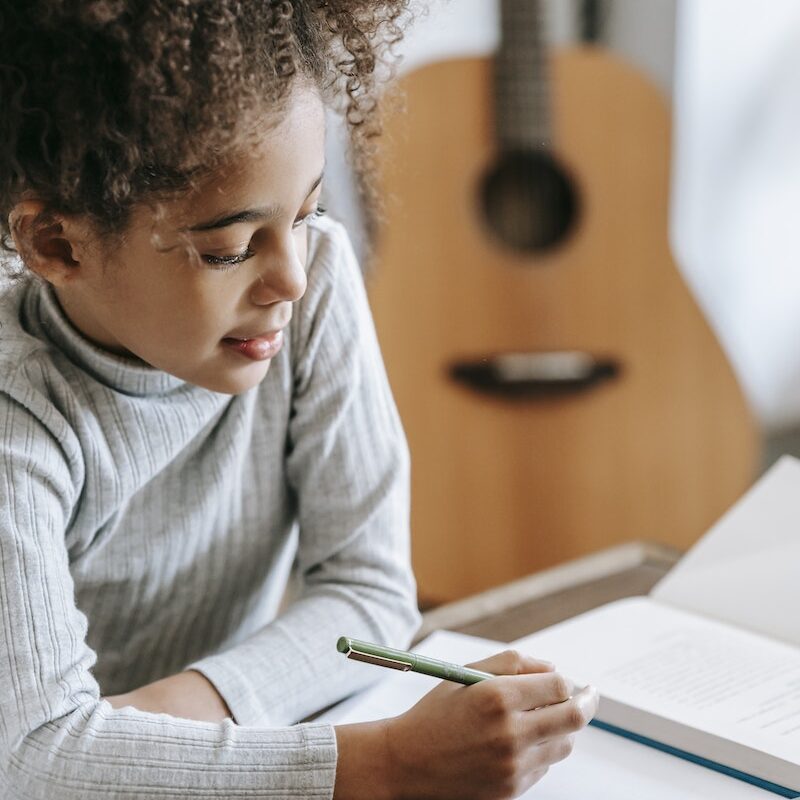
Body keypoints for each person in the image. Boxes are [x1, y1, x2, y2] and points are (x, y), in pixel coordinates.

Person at [0, 2, 598, 798]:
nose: (291, 278)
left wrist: (160, 720)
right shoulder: (19, 421)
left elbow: (370, 589)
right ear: (57, 245)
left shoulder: (310, 289)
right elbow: (33, 757)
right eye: (229, 250)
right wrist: (389, 763)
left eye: (309, 211)